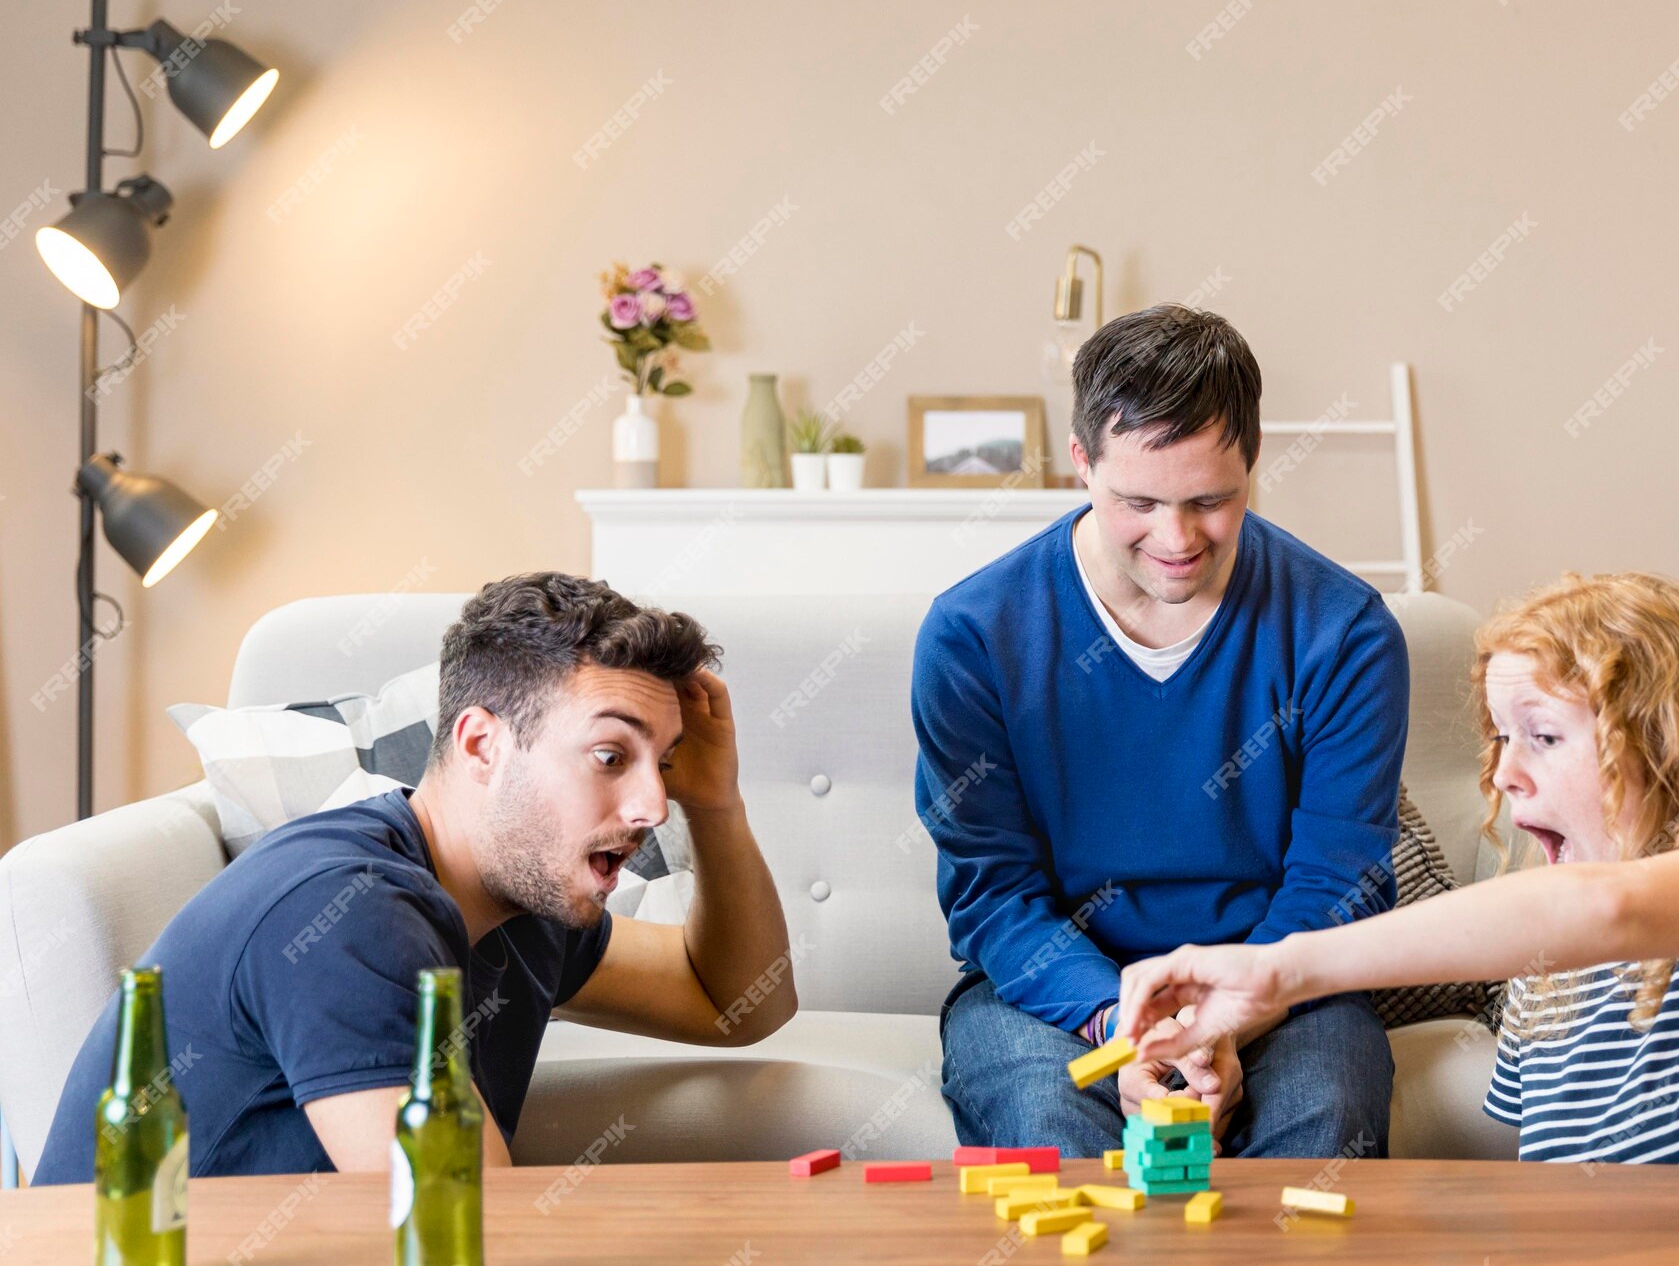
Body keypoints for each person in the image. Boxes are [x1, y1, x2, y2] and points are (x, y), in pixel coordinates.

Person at [1116, 572, 1679, 1173]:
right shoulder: (1543, 990)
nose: (1504, 775)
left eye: (1542, 736)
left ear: (1665, 742)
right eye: (1498, 740)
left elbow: (1612, 908)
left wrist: (1277, 970)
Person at [36, 571, 796, 1180]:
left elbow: (736, 1004)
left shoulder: (521, 903)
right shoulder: (350, 910)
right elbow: (463, 1231)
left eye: (662, 765)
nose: (653, 805)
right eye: (611, 757)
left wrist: (717, 804)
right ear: (480, 745)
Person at [915, 303, 1409, 1159]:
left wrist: (1233, 1008)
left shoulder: (1345, 632)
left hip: (1284, 982)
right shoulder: (973, 636)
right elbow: (992, 896)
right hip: (1054, 994)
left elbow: (1340, 879)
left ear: (1253, 463)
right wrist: (1124, 1025)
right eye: (1137, 502)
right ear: (1081, 463)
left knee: (1323, 1120)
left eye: (1211, 502)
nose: (1177, 539)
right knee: (1053, 1139)